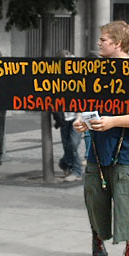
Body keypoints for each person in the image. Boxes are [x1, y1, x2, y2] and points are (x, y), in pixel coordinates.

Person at [72, 21, 129, 256]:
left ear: (117, 43)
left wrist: (113, 121)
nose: (99, 43)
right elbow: (88, 107)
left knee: (126, 201)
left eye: (103, 39)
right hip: (97, 148)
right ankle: (98, 239)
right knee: (95, 198)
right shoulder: (96, 72)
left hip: (127, 150)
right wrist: (82, 121)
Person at [56, 49, 83, 182]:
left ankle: (76, 170)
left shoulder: (78, 77)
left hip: (77, 117)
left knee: (73, 144)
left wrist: (79, 117)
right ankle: (67, 164)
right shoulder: (58, 78)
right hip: (64, 117)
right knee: (67, 145)